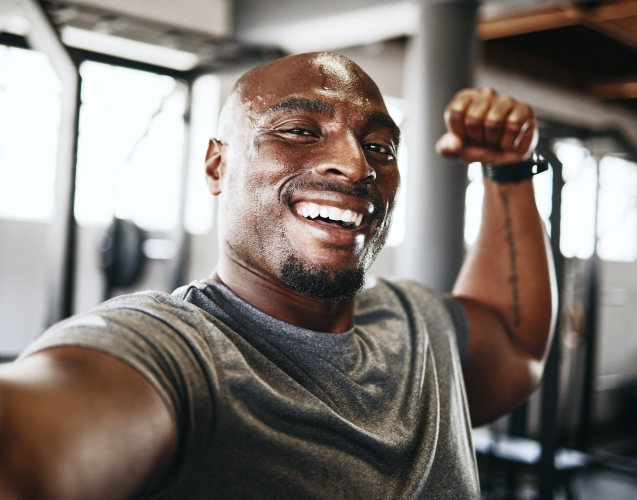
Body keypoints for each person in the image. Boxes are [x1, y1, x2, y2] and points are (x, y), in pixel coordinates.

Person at [0, 52, 556, 499]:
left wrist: (507, 171)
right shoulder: (174, 352)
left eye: (379, 147)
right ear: (218, 165)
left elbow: (518, 344)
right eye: (297, 131)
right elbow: (30, 446)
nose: (356, 165)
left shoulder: (416, 318)